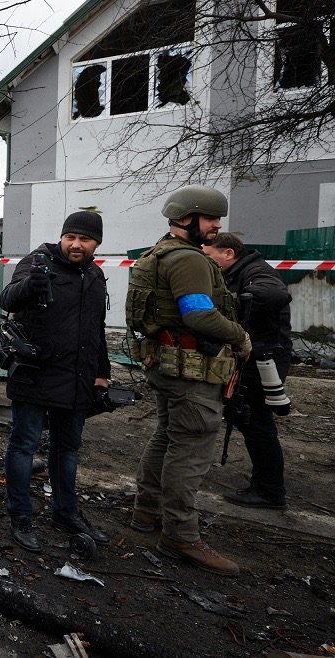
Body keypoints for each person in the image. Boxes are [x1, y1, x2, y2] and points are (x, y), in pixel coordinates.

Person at [127, 185, 251, 576]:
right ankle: (180, 533)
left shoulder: (159, 252)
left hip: (168, 365)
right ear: (185, 219)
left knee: (167, 435)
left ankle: (146, 512)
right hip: (190, 372)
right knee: (191, 447)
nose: (217, 226)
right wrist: (240, 337)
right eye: (211, 218)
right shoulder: (188, 260)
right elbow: (198, 316)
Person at [0, 211, 111, 553]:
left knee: (67, 449)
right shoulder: (37, 262)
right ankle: (20, 516)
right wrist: (29, 287)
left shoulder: (94, 274)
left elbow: (97, 330)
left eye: (85, 239)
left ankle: (66, 513)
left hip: (78, 376)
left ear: (96, 244)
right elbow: (7, 299)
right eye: (70, 237)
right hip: (35, 373)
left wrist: (102, 373)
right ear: (61, 237)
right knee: (24, 445)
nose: (76, 244)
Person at [203, 233, 292, 509]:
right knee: (244, 416)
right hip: (251, 355)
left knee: (256, 422)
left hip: (264, 358)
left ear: (228, 254)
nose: (208, 263)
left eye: (210, 257)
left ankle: (269, 491)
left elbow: (275, 294)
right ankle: (267, 482)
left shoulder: (256, 271)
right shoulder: (239, 270)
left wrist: (229, 304)